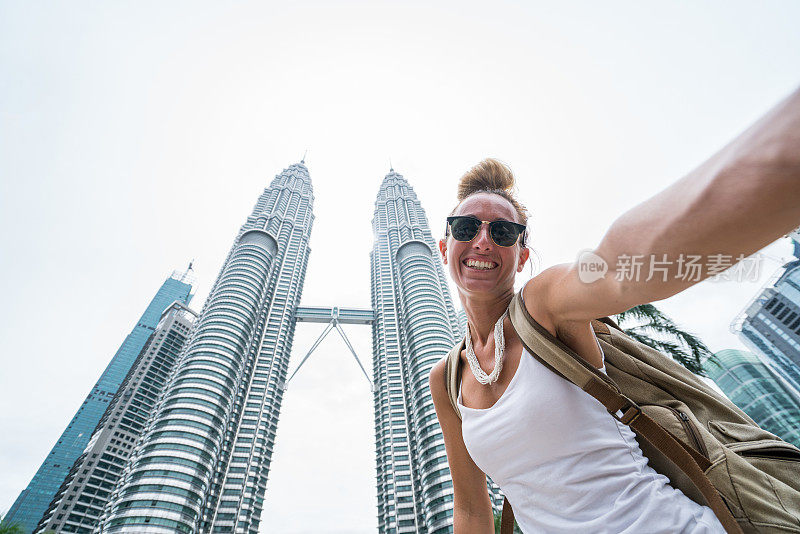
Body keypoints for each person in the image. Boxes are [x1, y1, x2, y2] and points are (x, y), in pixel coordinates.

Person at [429, 87, 800, 534]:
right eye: (467, 227)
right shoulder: (447, 379)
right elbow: (470, 510)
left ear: (523, 256)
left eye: (504, 231)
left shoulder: (544, 305)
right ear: (445, 245)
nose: (483, 240)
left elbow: (618, 269)